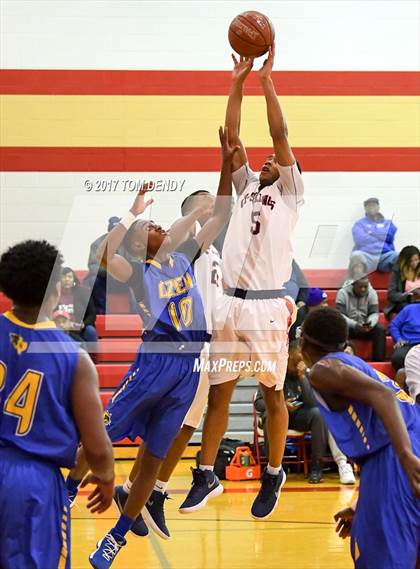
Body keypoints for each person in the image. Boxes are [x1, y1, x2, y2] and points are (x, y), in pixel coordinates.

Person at [67, 127, 236, 568]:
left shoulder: (185, 257)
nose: (161, 226)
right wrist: (132, 211)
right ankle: (65, 494)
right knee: (98, 440)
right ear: (141, 242)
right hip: (155, 363)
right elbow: (105, 254)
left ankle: (116, 537)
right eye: (152, 227)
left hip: (189, 369)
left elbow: (219, 214)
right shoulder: (138, 270)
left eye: (160, 223)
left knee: (152, 460)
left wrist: (225, 161)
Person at [179, 45, 304, 521]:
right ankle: (205, 472)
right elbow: (232, 138)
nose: (270, 157)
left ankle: (273, 472)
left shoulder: (289, 195)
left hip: (268, 307)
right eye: (266, 158)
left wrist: (267, 81)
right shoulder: (248, 185)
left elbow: (281, 131)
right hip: (230, 305)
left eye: (278, 159)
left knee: (270, 394)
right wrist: (237, 82)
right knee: (220, 392)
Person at [114, 189, 224, 540]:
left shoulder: (209, 248)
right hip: (172, 349)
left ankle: (149, 489)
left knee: (186, 425)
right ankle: (144, 489)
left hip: (202, 345)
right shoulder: (179, 248)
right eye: (204, 204)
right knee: (178, 427)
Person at [0, 240, 114, 569]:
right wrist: (106, 477)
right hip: (31, 483)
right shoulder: (74, 358)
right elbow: (95, 444)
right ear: (55, 291)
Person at [300, 307, 420, 569]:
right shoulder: (354, 364)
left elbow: (384, 397)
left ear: (303, 342)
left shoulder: (324, 368)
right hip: (406, 445)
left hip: (398, 457)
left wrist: (405, 456)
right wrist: (362, 501)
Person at [255, 342, 355, 485]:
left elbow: (312, 403)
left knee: (318, 415)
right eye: (299, 356)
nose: (302, 360)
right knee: (269, 416)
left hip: (297, 416)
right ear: (289, 356)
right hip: (278, 416)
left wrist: (303, 377)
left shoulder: (305, 374)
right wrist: (281, 406)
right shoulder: (273, 372)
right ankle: (273, 470)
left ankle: (316, 469)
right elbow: (258, 403)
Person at [84, 216, 137, 314]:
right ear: (109, 232)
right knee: (94, 280)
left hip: (123, 280)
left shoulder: (129, 243)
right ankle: (105, 313)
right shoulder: (97, 244)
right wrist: (111, 274)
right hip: (107, 280)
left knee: (138, 280)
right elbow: (93, 266)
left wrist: (122, 274)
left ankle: (137, 315)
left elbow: (135, 264)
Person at [336, 274, 386, 361]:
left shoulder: (372, 293)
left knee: (380, 329)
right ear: (353, 285)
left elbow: (374, 313)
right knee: (340, 328)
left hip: (366, 326)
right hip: (350, 327)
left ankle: (378, 361)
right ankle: (343, 359)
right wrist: (355, 325)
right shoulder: (342, 293)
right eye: (360, 287)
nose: (363, 289)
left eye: (365, 287)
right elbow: (341, 315)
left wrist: (370, 324)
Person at [57, 267, 98, 358]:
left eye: (69, 277)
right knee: (81, 344)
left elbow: (92, 313)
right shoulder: (55, 294)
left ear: (74, 279)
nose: (66, 279)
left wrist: (84, 324)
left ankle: (94, 359)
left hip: (80, 327)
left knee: (90, 331)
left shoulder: (83, 293)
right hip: (62, 328)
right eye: (64, 277)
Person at [350, 197, 398, 273]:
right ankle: (359, 283)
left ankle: (397, 284)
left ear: (378, 207)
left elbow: (389, 236)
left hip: (385, 256)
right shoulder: (359, 224)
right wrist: (381, 235)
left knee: (399, 256)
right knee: (356, 255)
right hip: (366, 257)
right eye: (369, 206)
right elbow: (360, 240)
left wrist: (370, 232)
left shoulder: (388, 223)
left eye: (374, 205)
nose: (371, 207)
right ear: (365, 209)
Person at [385, 245, 420, 318]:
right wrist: (409, 296)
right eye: (411, 261)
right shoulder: (397, 271)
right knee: (411, 309)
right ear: (404, 261)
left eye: (416, 260)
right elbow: (391, 294)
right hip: (403, 303)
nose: (414, 263)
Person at [389, 297, 420, 371]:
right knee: (397, 358)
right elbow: (394, 325)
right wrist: (398, 339)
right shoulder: (409, 309)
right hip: (408, 343)